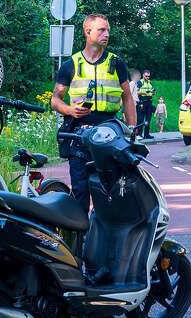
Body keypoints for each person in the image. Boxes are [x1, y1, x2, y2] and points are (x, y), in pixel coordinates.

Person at [51, 13, 137, 212]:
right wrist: (70, 110)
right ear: (87, 32)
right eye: (101, 30)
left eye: (107, 30)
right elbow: (55, 99)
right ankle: (81, 239)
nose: (106, 34)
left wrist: (132, 130)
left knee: (111, 190)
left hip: (109, 133)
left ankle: (108, 235)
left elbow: (127, 98)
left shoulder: (116, 63)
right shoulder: (70, 64)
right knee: (80, 190)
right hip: (79, 133)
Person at [136, 69, 156, 139]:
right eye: (146, 76)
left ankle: (146, 134)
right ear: (143, 75)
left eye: (148, 76)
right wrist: (143, 93)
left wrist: (153, 92)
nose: (147, 77)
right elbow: (136, 92)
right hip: (142, 102)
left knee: (148, 119)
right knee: (140, 119)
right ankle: (139, 134)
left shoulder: (150, 82)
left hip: (149, 102)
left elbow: (153, 91)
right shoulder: (139, 82)